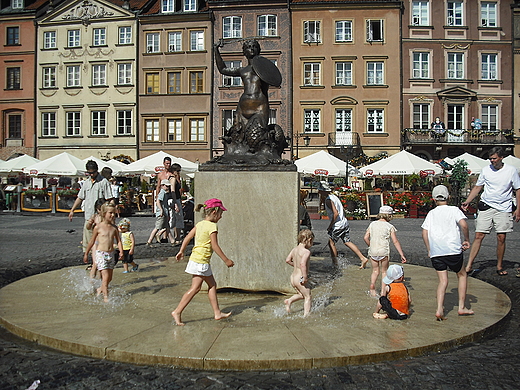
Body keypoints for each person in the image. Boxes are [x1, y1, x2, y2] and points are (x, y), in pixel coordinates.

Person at [172, 198, 234, 326]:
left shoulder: (200, 224)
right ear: (214, 212)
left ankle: (217, 313)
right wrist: (226, 260)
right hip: (201, 261)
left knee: (212, 285)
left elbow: (188, 237)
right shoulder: (212, 226)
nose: (221, 217)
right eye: (221, 213)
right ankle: (177, 311)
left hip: (197, 259)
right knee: (195, 288)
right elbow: (215, 245)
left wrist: (181, 251)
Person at [461, 146, 520, 276]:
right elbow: (478, 187)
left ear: (501, 158)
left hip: (504, 207)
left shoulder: (511, 171)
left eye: (494, 159)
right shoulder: (486, 170)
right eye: (490, 159)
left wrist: (518, 209)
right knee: (479, 235)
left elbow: (518, 189)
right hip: (486, 205)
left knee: (501, 237)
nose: (492, 161)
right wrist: (468, 200)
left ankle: (499, 265)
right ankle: (469, 265)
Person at [422, 185, 474, 321]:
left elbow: (424, 232)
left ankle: (439, 308)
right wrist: (467, 239)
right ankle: (461, 307)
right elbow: (464, 225)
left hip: (436, 252)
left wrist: (429, 249)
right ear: (449, 197)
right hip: (452, 250)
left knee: (442, 281)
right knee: (462, 275)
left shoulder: (431, 213)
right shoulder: (454, 210)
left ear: (433, 199)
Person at [318, 182, 368, 268]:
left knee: (331, 243)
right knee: (347, 241)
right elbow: (342, 211)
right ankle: (362, 257)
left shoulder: (328, 200)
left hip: (337, 225)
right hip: (344, 223)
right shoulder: (334, 197)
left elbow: (335, 213)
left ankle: (335, 264)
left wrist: (330, 226)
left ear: (322, 191)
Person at [69, 160, 113, 254]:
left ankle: (99, 262)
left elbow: (109, 199)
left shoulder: (103, 182)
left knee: (100, 241)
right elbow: (80, 197)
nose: (91, 175)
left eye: (93, 172)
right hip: (88, 216)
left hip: (100, 217)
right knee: (88, 241)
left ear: (97, 170)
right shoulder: (86, 182)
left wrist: (111, 213)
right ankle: (91, 262)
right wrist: (72, 210)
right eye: (89, 173)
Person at [83, 203, 123, 302]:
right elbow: (92, 241)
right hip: (101, 254)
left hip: (111, 254)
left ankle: (100, 289)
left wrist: (121, 251)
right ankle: (106, 298)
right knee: (105, 278)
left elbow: (118, 240)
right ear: (104, 213)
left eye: (114, 213)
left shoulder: (114, 228)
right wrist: (86, 253)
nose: (113, 215)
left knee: (109, 278)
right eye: (110, 213)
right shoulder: (98, 227)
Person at [363, 205, 407, 297]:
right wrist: (401, 254)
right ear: (390, 216)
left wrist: (370, 246)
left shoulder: (372, 224)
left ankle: (372, 287)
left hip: (373, 251)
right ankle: (383, 291)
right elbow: (395, 241)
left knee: (375, 271)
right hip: (383, 251)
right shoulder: (390, 226)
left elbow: (365, 237)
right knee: (384, 272)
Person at [284, 229, 314, 317]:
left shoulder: (295, 249)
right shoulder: (306, 252)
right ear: (309, 240)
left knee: (301, 294)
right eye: (312, 242)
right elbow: (303, 264)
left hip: (293, 278)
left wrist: (296, 266)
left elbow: (287, 260)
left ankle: (289, 301)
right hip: (300, 277)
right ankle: (306, 316)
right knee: (308, 296)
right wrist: (304, 276)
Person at [146, 179, 175, 245]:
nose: (168, 187)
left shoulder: (165, 193)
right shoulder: (162, 192)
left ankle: (172, 241)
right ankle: (149, 241)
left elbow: (165, 204)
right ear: (162, 185)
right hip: (162, 213)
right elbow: (158, 201)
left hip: (165, 212)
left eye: (168, 186)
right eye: (166, 186)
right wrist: (161, 210)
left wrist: (170, 207)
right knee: (157, 227)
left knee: (167, 227)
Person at [84, 199, 105, 278]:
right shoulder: (95, 216)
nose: (101, 212)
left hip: (104, 243)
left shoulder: (107, 217)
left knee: (102, 265)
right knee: (95, 263)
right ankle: (91, 284)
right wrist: (89, 223)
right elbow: (88, 228)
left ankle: (101, 284)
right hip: (96, 242)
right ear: (96, 209)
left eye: (102, 209)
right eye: (99, 209)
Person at [168, 163, 184, 244]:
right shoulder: (172, 178)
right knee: (177, 219)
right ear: (174, 171)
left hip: (176, 200)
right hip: (174, 200)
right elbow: (173, 191)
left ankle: (176, 236)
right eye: (178, 171)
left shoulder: (176, 178)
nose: (179, 172)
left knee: (175, 219)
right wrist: (175, 203)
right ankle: (176, 237)